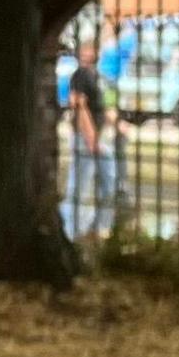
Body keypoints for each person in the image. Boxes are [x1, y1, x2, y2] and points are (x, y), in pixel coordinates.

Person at [61, 47, 122, 239]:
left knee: (109, 181)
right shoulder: (80, 75)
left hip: (99, 136)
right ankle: (70, 231)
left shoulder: (97, 75)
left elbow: (102, 107)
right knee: (79, 185)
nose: (90, 53)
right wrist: (91, 137)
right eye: (86, 50)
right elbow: (79, 105)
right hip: (86, 138)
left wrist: (118, 125)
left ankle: (98, 227)